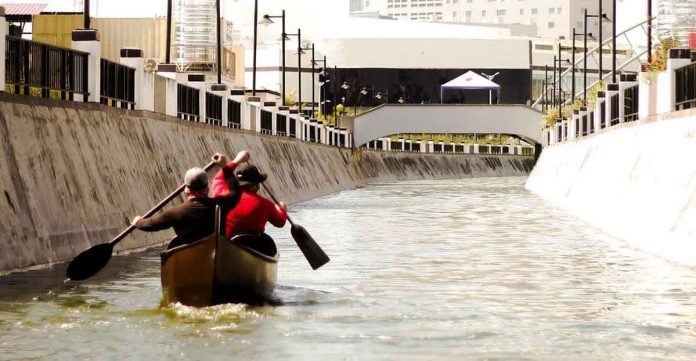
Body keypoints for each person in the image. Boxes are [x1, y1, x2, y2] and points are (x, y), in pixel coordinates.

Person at [131, 151, 250, 247]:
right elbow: (235, 191)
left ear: (186, 190)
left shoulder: (173, 213)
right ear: (207, 189)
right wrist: (225, 166)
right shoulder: (221, 204)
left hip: (188, 262)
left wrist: (138, 222)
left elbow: (149, 225)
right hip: (216, 249)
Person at [211, 153, 287, 239]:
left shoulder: (222, 194)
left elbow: (219, 178)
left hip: (226, 242)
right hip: (254, 245)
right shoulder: (267, 205)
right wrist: (282, 209)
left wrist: (237, 161)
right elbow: (280, 222)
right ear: (255, 186)